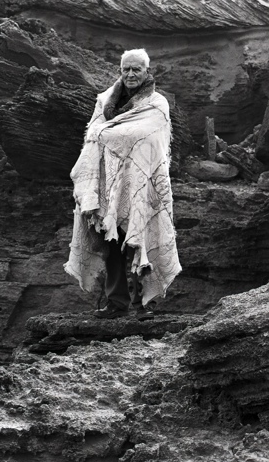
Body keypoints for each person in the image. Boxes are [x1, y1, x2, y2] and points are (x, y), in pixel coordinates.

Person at [64, 48, 181, 320]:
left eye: (136, 69)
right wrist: (106, 137)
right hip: (107, 183)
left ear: (146, 71)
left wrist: (107, 134)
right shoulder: (105, 100)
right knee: (111, 244)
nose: (130, 74)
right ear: (120, 71)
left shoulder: (157, 103)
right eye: (126, 69)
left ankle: (143, 305)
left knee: (141, 238)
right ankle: (116, 303)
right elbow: (92, 134)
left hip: (144, 181)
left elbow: (146, 137)